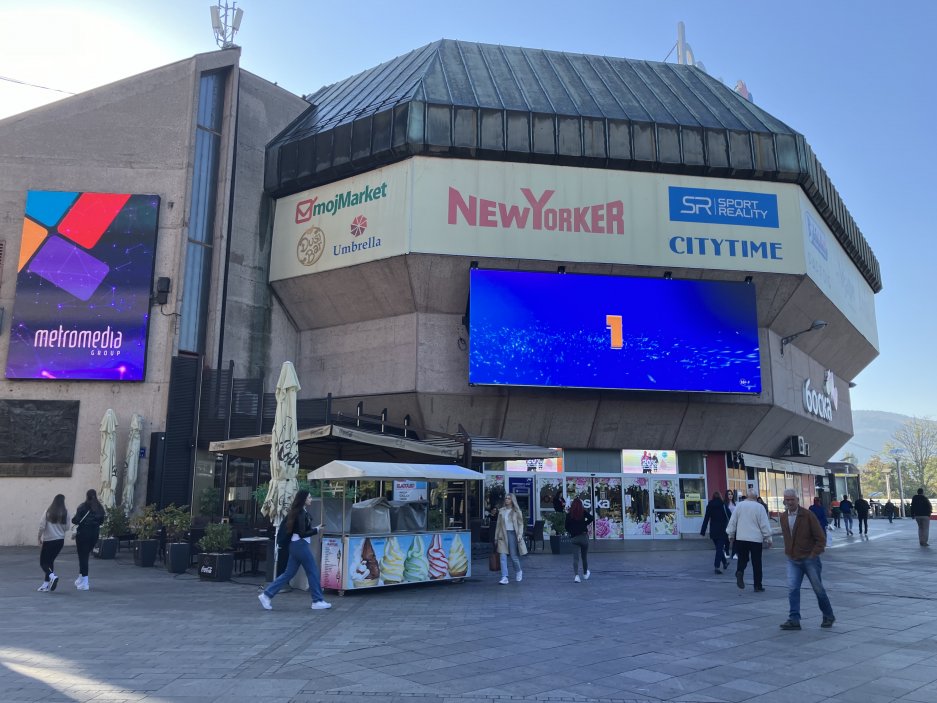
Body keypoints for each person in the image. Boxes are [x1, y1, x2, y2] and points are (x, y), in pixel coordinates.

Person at [258, 490, 331, 610]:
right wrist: (316, 530)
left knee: (288, 573)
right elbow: (302, 533)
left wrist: (314, 529)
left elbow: (299, 531)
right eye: (309, 497)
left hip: (295, 545)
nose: (311, 499)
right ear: (303, 499)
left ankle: (266, 595)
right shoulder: (301, 513)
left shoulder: (298, 512)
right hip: (300, 545)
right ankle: (317, 600)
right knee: (312, 571)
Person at [778, 489, 835, 630]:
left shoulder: (808, 515)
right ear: (784, 501)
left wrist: (813, 554)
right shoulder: (783, 517)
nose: (790, 502)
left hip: (810, 559)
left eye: (792, 499)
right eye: (787, 500)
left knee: (818, 589)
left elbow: (820, 537)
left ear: (797, 500)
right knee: (792, 589)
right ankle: (794, 619)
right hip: (793, 559)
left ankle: (828, 616)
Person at [726, 488, 773, 592]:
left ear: (747, 496)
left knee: (743, 558)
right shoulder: (760, 507)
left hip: (741, 538)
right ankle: (757, 586)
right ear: (756, 497)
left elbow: (733, 521)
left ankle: (740, 571)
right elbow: (764, 524)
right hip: (755, 539)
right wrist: (768, 538)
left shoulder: (739, 506)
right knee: (757, 563)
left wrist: (731, 534)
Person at [71, 489, 105, 590]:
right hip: (94, 535)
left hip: (83, 535)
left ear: (87, 496)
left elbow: (76, 520)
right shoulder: (100, 508)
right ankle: (81, 578)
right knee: (85, 556)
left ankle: (85, 581)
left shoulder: (83, 506)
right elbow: (101, 521)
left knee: (83, 557)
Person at [494, 493, 527, 584]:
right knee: (503, 556)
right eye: (506, 498)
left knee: (513, 556)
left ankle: (518, 571)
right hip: (502, 534)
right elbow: (498, 525)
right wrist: (496, 537)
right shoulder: (501, 511)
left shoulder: (517, 511)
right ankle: (504, 577)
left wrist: (520, 534)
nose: (507, 500)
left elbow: (521, 524)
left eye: (509, 498)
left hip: (513, 534)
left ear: (512, 500)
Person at [37, 494, 68, 592]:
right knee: (50, 561)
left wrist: (39, 537)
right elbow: (67, 528)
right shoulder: (65, 513)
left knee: (43, 563)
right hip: (60, 541)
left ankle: (52, 576)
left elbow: (42, 526)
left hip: (49, 541)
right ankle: (46, 584)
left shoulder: (48, 512)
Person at [700, 491, 730, 575]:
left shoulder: (709, 506)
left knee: (718, 548)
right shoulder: (723, 505)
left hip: (713, 531)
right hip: (722, 530)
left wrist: (703, 531)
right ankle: (717, 566)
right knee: (719, 549)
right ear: (720, 496)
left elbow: (706, 518)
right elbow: (730, 516)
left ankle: (724, 563)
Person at [566, 497, 594, 583]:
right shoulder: (583, 512)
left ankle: (576, 576)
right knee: (584, 557)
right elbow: (591, 518)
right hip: (584, 537)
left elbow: (566, 526)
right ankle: (585, 574)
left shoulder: (569, 514)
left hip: (574, 538)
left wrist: (572, 531)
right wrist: (584, 524)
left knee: (575, 558)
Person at [724, 489, 738, 560]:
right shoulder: (725, 504)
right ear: (726, 495)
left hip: (735, 523)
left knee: (735, 538)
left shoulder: (735, 503)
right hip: (728, 523)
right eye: (729, 494)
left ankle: (734, 553)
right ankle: (726, 552)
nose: (730, 495)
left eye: (731, 494)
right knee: (727, 538)